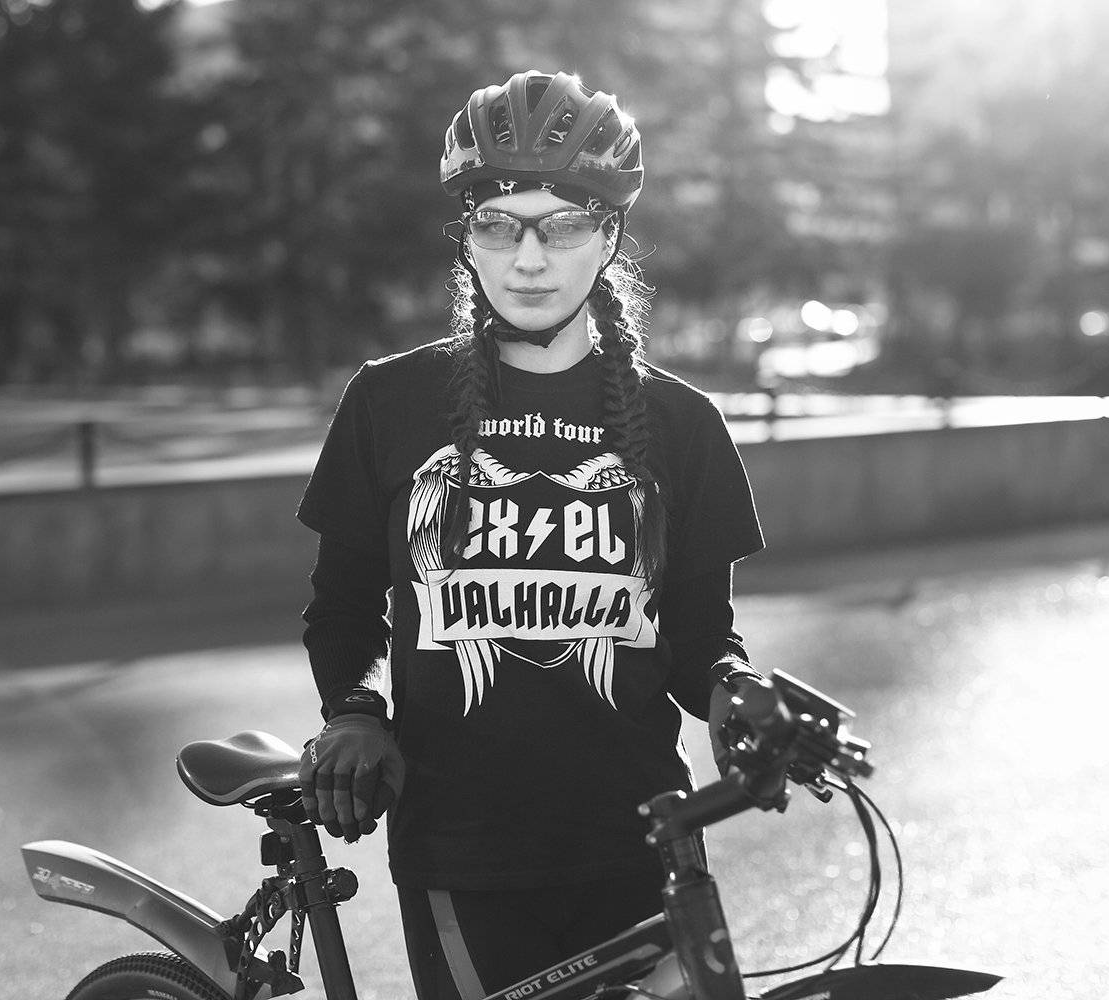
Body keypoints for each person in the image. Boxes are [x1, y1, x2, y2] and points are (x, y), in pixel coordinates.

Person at [295, 69, 787, 1000]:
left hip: (644, 836)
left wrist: (734, 688)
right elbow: (345, 605)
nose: (528, 259)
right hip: (464, 849)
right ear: (467, 237)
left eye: (560, 227)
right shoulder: (390, 401)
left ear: (608, 237)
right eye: (498, 225)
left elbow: (698, 636)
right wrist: (355, 711)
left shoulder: (682, 425)